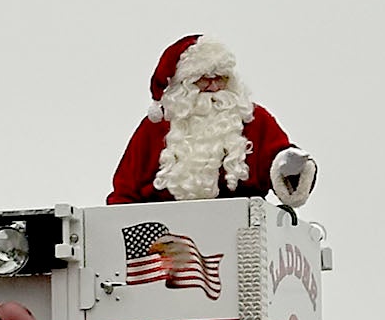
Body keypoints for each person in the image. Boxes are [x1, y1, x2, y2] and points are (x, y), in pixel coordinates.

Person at [108, 35, 316, 207]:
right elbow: (125, 191)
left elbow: (280, 162)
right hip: (167, 240)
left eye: (221, 78)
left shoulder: (254, 120)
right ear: (183, 84)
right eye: (205, 78)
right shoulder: (155, 128)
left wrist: (290, 165)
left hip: (241, 232)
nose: (215, 87)